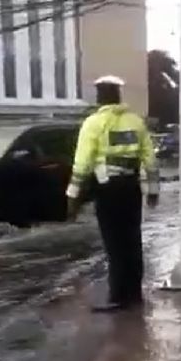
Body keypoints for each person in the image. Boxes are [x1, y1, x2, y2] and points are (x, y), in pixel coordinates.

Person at [66, 75, 160, 312]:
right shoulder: (136, 122)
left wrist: (72, 197)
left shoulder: (93, 124)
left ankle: (118, 297)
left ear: (100, 96)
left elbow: (82, 164)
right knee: (132, 240)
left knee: (114, 244)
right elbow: (150, 159)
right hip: (131, 189)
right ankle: (134, 294)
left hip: (107, 191)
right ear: (118, 95)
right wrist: (152, 191)